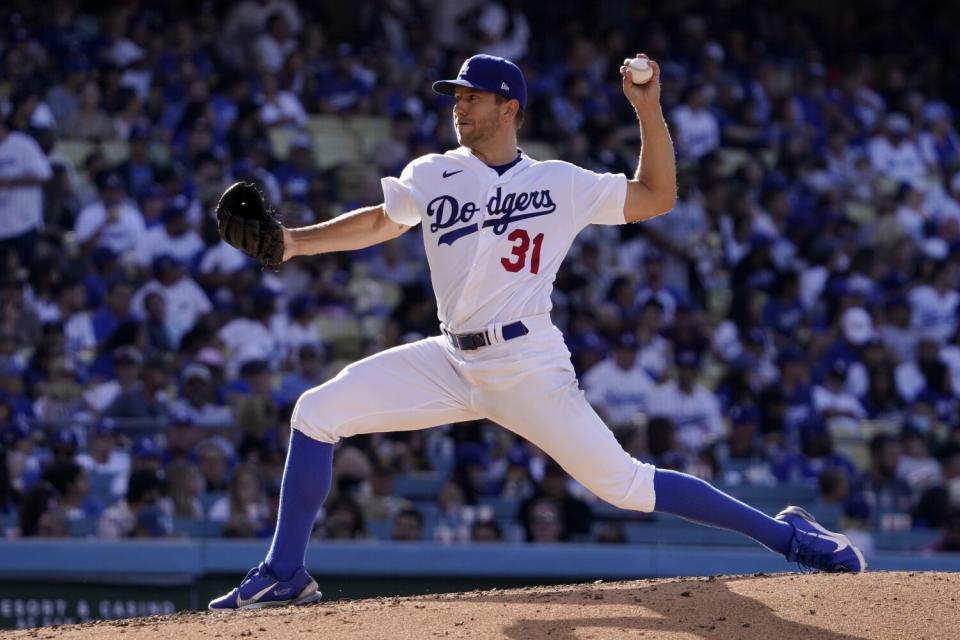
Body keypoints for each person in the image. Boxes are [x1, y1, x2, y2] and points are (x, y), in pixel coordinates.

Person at [209, 53, 864, 611]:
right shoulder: (431, 172)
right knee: (318, 411)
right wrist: (293, 243)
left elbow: (657, 196)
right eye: (456, 98)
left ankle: (786, 536)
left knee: (627, 487)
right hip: (449, 357)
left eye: (473, 98)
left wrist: (646, 108)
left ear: (509, 107)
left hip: (527, 363)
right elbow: (382, 221)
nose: (459, 107)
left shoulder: (558, 183)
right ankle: (286, 574)